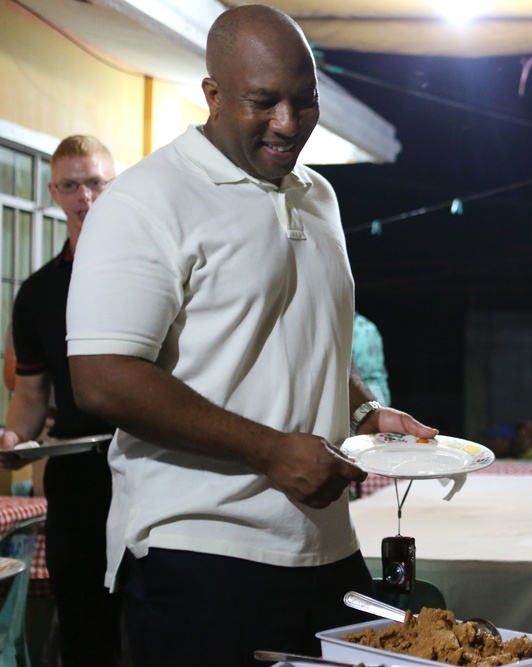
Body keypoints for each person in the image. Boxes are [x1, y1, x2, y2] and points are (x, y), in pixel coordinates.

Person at [62, 6, 436, 667]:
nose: (288, 124)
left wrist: (364, 408)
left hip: (327, 549)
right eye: (264, 102)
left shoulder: (318, 195)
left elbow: (304, 331)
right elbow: (101, 374)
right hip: (199, 555)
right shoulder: (147, 200)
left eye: (304, 101)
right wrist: (270, 451)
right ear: (212, 94)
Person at [0, 134, 121, 667]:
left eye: (94, 182)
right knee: (82, 623)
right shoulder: (38, 291)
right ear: (53, 193)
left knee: (156, 614)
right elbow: (29, 392)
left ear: (112, 184)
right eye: (71, 185)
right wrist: (13, 437)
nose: (84, 196)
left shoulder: (149, 271)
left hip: (151, 465)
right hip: (75, 473)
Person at [353, 312, 391, 406]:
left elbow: (371, 376)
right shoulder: (367, 326)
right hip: (369, 391)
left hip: (369, 391)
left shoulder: (363, 328)